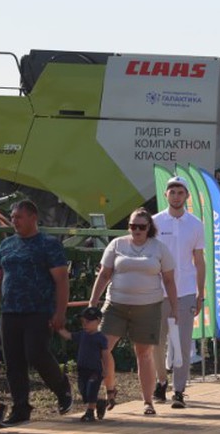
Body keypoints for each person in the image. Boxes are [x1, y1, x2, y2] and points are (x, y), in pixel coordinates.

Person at [88, 208, 178, 416]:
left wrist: (175, 307)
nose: (136, 230)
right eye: (132, 226)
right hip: (116, 305)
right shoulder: (117, 244)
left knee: (144, 353)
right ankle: (110, 390)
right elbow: (104, 274)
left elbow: (169, 280)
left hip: (148, 307)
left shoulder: (159, 248)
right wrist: (93, 301)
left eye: (141, 226)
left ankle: (148, 402)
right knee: (102, 348)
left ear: (149, 228)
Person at [0, 200, 73, 425]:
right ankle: (21, 409)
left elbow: (61, 280)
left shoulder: (48, 244)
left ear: (33, 217)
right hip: (10, 312)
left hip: (39, 311)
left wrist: (60, 312)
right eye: (13, 217)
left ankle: (61, 387)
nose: (14, 221)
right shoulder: (6, 246)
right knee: (13, 362)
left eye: (19, 217)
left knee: (36, 354)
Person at [152, 177, 207, 409]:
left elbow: (199, 261)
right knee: (157, 340)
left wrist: (200, 293)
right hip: (157, 291)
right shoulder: (154, 222)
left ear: (187, 196)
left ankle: (179, 390)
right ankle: (161, 381)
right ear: (165, 195)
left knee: (183, 343)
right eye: (172, 191)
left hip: (184, 291)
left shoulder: (195, 224)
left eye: (180, 192)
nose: (176, 196)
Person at [56, 307, 108, 422]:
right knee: (84, 392)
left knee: (92, 389)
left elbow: (105, 354)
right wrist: (58, 328)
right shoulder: (82, 335)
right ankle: (99, 402)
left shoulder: (101, 338)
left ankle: (90, 413)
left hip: (95, 370)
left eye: (88, 322)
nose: (85, 325)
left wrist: (106, 368)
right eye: (83, 322)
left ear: (98, 321)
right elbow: (68, 335)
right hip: (82, 369)